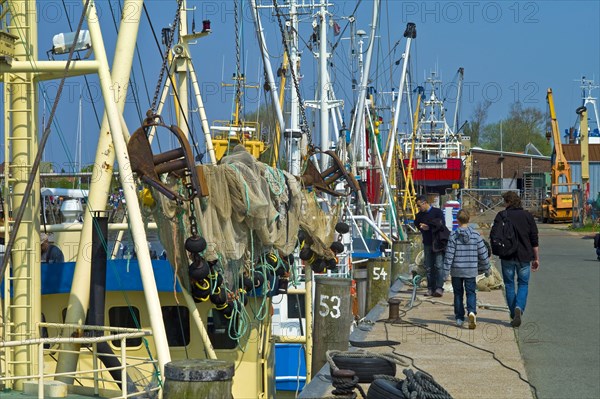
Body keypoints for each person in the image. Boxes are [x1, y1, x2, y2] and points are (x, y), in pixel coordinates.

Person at [492, 191, 539, 328]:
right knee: (523, 284)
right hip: (525, 256)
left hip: (507, 255)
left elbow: (494, 235)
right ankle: (519, 307)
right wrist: (536, 258)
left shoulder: (502, 215)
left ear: (507, 202)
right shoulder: (527, 216)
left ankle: (514, 313)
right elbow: (534, 239)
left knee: (509, 284)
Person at [443, 209, 490, 329]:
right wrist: (487, 268)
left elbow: (449, 255)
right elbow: (483, 253)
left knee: (458, 294)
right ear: (469, 220)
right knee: (471, 292)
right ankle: (472, 312)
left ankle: (459, 318)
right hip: (471, 270)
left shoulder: (453, 235)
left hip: (457, 270)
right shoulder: (475, 235)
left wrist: (445, 272)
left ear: (457, 220)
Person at [414, 195, 446, 297]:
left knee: (439, 266)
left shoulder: (437, 212)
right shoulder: (419, 216)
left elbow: (441, 225)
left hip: (437, 243)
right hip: (427, 243)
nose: (419, 208)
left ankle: (439, 287)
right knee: (429, 267)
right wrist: (422, 228)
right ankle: (430, 288)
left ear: (424, 203)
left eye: (419, 205)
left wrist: (429, 227)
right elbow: (417, 224)